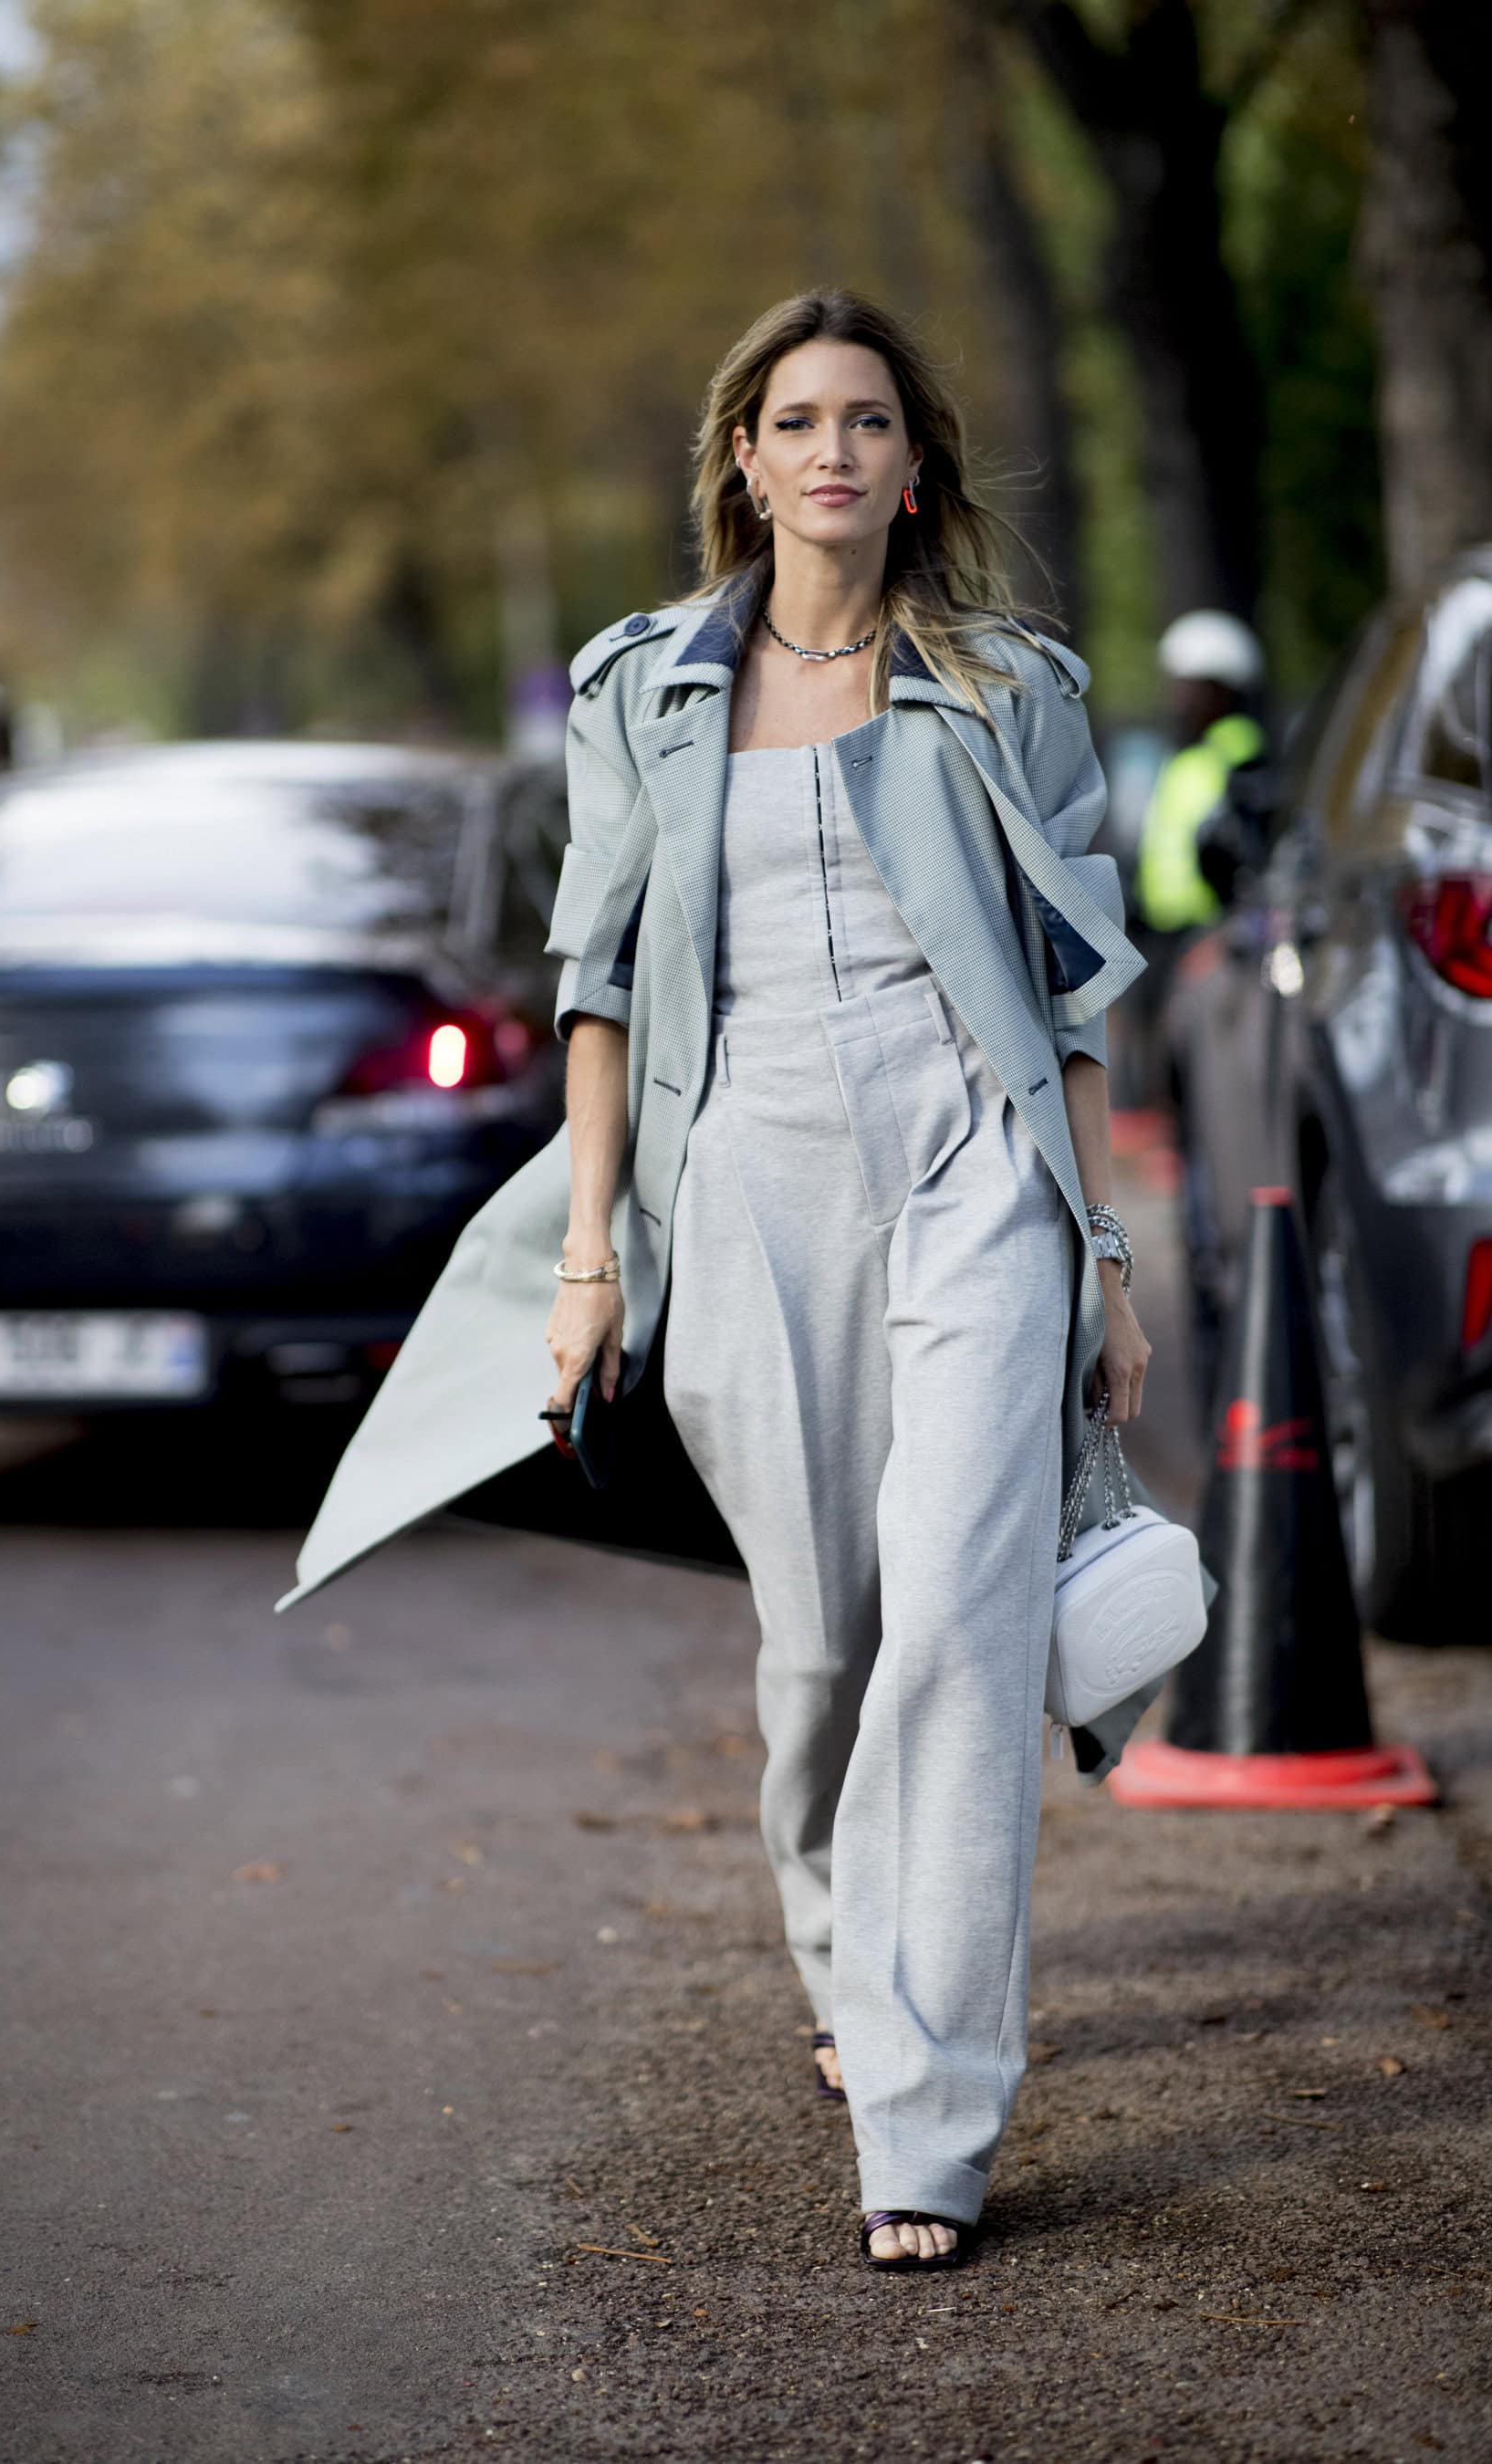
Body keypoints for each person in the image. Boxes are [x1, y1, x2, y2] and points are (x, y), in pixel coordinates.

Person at [280, 287, 1154, 2274]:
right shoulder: (640, 692)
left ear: (913, 466)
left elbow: (1076, 1000)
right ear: (743, 464)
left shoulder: (1012, 687)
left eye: (866, 419)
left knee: (952, 1620)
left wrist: (1099, 1250)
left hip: (972, 1173)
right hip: (741, 1175)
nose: (832, 449)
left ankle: (930, 2113)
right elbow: (594, 992)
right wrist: (590, 1261)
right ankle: (857, 1975)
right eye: (795, 420)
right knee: (829, 1646)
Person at [1121, 611, 1267, 1105]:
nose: (1179, 697)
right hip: (1166, 935)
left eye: (1193, 685)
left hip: (1213, 937)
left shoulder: (1241, 755)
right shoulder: (1185, 758)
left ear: (1223, 689)